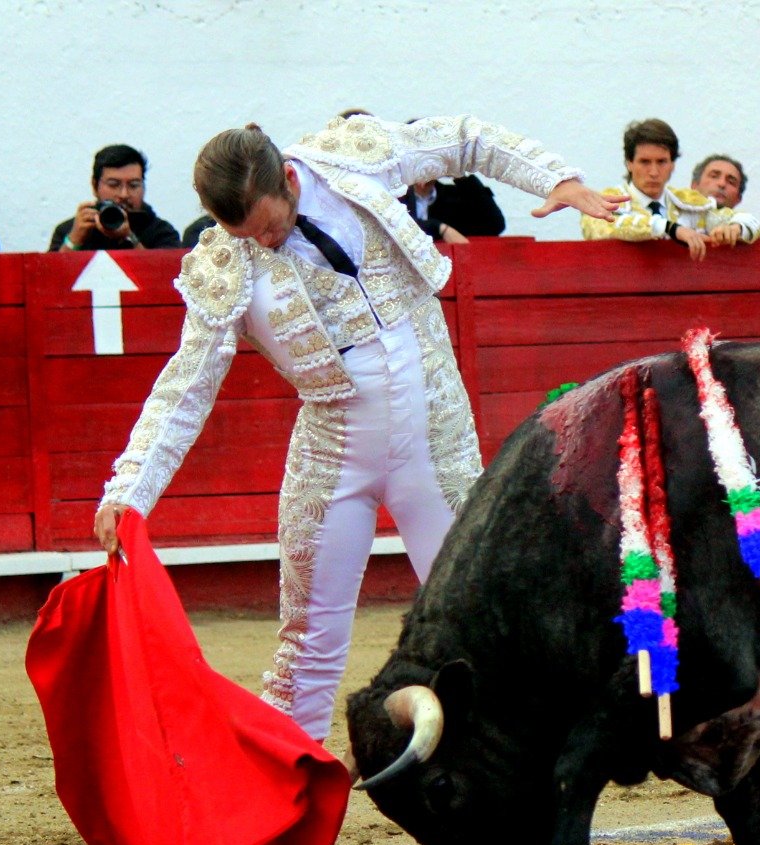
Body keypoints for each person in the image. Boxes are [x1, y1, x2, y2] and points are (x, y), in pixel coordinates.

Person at [91, 113, 624, 740]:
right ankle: (289, 792)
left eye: (269, 226)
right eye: (245, 235)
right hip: (333, 452)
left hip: (434, 436)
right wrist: (129, 490)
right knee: (307, 642)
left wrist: (555, 179)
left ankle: (526, 771)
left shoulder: (349, 156)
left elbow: (464, 139)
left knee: (487, 619)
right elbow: (186, 386)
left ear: (290, 180)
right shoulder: (225, 263)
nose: (263, 244)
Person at [580, 118, 756, 260]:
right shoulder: (605, 201)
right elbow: (599, 228)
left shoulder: (688, 202)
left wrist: (735, 228)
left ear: (672, 165)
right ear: (629, 163)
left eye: (661, 162)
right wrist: (670, 228)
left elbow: (748, 221)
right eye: (645, 162)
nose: (654, 172)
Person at [49, 144, 184, 252]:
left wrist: (129, 237)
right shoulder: (69, 230)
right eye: (114, 185)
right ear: (95, 186)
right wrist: (74, 240)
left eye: (133, 185)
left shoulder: (162, 232)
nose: (124, 194)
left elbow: (163, 273)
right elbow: (51, 275)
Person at [401, 174, 506, 243]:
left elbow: (495, 225)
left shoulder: (452, 196)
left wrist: (458, 175)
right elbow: (401, 228)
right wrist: (438, 227)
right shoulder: (397, 195)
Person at [691, 153, 760, 242]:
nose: (722, 184)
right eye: (714, 176)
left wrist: (736, 228)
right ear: (694, 185)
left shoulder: (736, 219)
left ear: (738, 198)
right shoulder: (676, 212)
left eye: (731, 182)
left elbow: (752, 223)